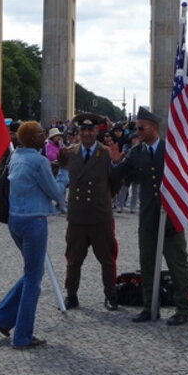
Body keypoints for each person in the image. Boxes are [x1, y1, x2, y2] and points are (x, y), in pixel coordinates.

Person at [108, 107, 188, 326]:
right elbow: (119, 174)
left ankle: (183, 308)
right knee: (147, 265)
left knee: (177, 265)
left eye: (141, 128)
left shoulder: (171, 150)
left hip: (171, 216)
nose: (137, 132)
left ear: (153, 128)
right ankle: (149, 306)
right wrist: (115, 160)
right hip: (148, 219)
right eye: (136, 128)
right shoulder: (137, 152)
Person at [0, 121, 69, 349]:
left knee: (32, 273)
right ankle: (22, 336)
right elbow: (56, 192)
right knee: (34, 279)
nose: (44, 136)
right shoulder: (39, 161)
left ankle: (2, 316)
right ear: (33, 138)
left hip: (14, 220)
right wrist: (64, 171)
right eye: (41, 134)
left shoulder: (16, 157)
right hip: (34, 221)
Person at [63, 113, 122, 310]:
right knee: (73, 259)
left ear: (97, 131)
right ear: (78, 132)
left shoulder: (106, 154)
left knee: (107, 258)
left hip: (99, 215)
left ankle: (111, 294)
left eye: (90, 129)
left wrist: (103, 197)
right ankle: (71, 294)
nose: (87, 133)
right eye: (83, 130)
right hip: (78, 216)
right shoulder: (69, 153)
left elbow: (115, 183)